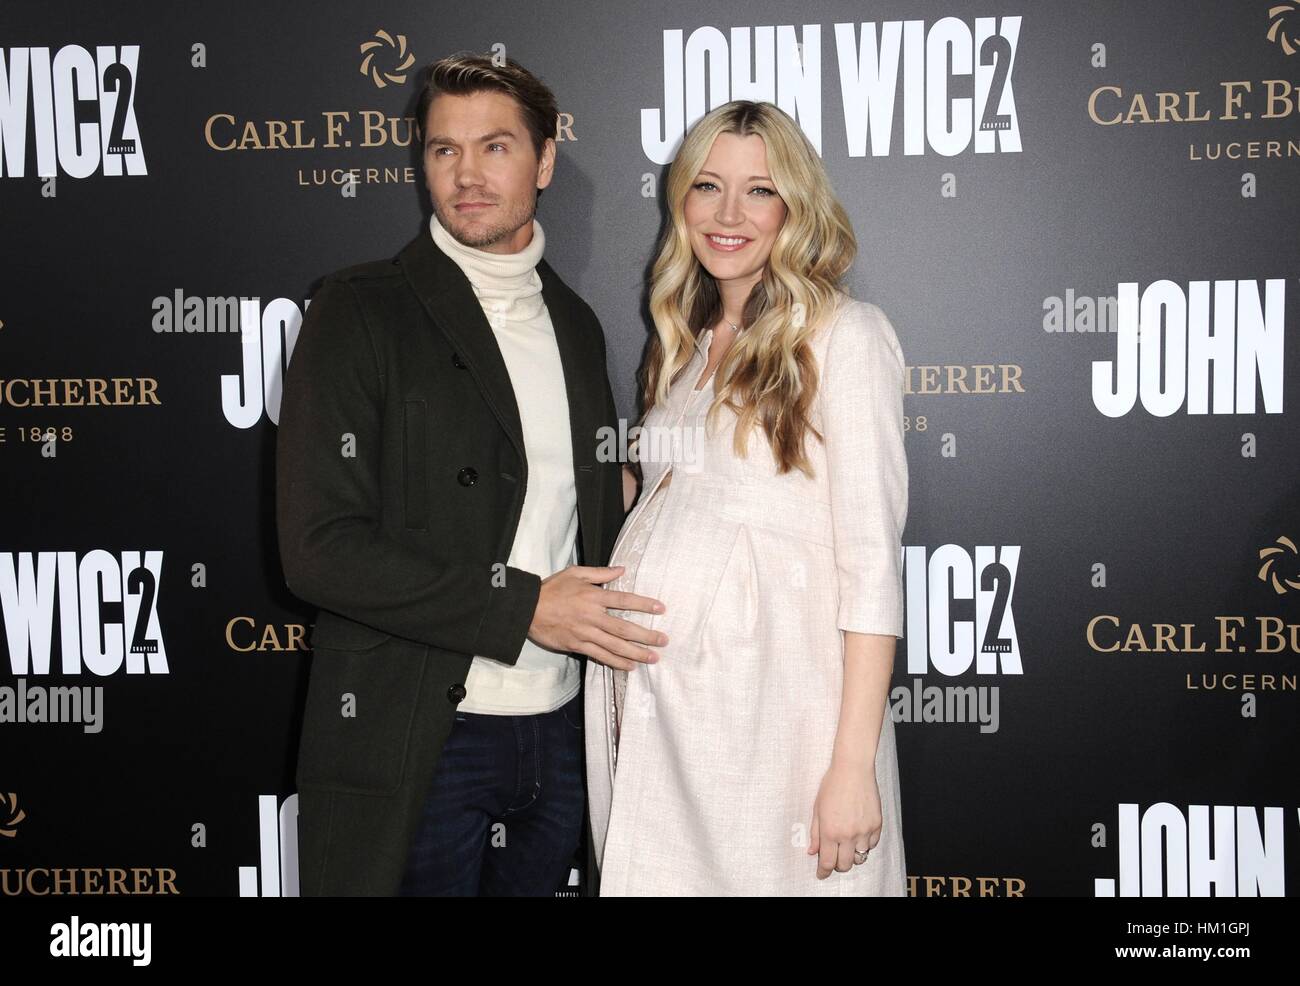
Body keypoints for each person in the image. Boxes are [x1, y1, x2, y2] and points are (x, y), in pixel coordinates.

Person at [276, 52, 664, 897]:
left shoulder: (574, 324)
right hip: (421, 733)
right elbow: (318, 549)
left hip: (563, 732)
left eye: (495, 147)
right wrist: (524, 607)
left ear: (546, 160)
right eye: (443, 150)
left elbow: (583, 506)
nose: (466, 175)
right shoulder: (358, 309)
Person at [584, 99, 910, 895]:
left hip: (773, 725)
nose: (728, 215)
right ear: (680, 201)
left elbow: (871, 568)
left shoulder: (845, 336)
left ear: (795, 206)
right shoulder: (685, 351)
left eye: (758, 190)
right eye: (707, 186)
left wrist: (850, 768)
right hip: (660, 717)